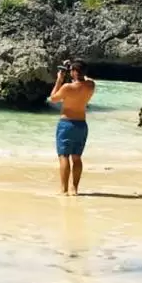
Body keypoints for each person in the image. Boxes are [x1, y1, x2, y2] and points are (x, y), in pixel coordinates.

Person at [48, 60, 96, 196]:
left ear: (74, 72)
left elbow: (53, 98)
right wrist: (75, 70)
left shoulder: (68, 87)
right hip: (81, 125)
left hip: (66, 124)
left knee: (64, 156)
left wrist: (59, 79)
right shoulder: (90, 85)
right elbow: (87, 79)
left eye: (71, 70)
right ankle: (74, 188)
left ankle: (63, 190)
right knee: (77, 157)